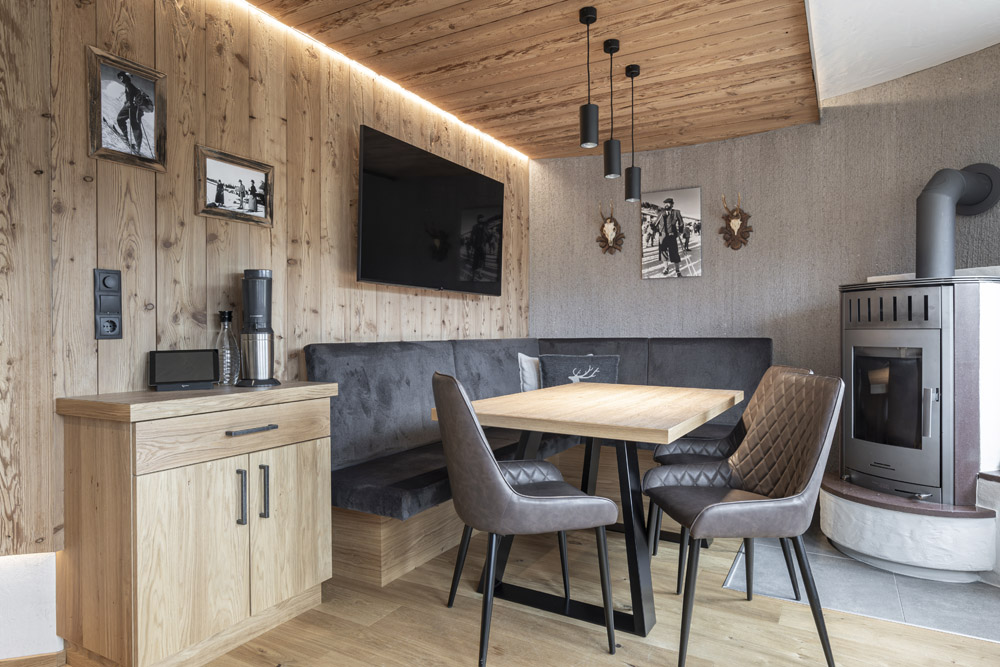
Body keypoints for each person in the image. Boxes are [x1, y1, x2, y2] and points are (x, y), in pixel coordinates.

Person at [115, 71, 150, 154]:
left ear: (124, 77)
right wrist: (128, 101)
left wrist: (129, 103)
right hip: (138, 109)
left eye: (121, 77)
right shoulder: (130, 85)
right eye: (119, 78)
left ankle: (125, 136)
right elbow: (131, 95)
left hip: (131, 107)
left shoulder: (128, 84)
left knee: (120, 119)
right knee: (136, 126)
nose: (120, 79)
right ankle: (138, 147)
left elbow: (130, 94)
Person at [656, 198, 684, 277]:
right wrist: (656, 230)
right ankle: (666, 268)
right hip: (663, 236)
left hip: (672, 235)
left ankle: (677, 270)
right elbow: (656, 223)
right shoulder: (661, 213)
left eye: (668, 203)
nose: (666, 205)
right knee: (663, 253)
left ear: (672, 204)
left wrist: (680, 232)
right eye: (665, 203)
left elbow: (681, 223)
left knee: (674, 252)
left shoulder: (676, 212)